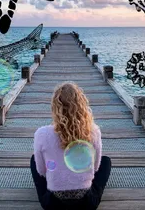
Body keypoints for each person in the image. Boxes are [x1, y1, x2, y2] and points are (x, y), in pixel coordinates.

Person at [30, 82, 111, 210]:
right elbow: (95, 168)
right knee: (106, 162)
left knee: (34, 159)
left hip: (52, 204)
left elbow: (41, 171)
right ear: (82, 105)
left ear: (55, 107)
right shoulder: (93, 131)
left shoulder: (42, 133)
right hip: (86, 203)